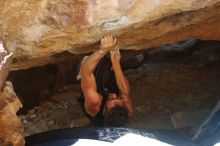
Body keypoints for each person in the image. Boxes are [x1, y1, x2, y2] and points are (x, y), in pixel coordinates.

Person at [80, 35, 133, 126]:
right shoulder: (127, 110)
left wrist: (102, 51)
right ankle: (111, 65)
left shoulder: (94, 105)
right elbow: (125, 91)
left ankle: (93, 57)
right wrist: (116, 64)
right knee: (115, 76)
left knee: (93, 67)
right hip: (107, 98)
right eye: (119, 99)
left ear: (104, 110)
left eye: (112, 99)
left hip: (96, 93)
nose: (114, 95)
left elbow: (86, 71)